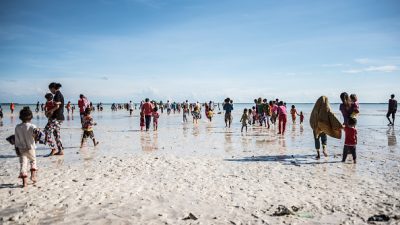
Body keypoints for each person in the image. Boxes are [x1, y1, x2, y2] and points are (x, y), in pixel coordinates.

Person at [14, 107, 38, 187]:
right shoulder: (32, 126)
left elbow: (16, 139)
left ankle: (24, 182)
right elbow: (36, 134)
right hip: (31, 148)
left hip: (21, 149)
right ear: (31, 117)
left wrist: (16, 148)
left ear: (20, 117)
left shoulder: (17, 127)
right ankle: (33, 176)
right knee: (33, 161)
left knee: (23, 164)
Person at [46, 82, 65, 156]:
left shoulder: (57, 95)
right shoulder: (59, 94)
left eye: (50, 90)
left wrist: (49, 111)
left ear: (53, 88)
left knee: (46, 132)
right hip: (60, 117)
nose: (51, 91)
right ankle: (60, 150)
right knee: (56, 134)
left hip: (56, 118)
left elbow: (57, 106)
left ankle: (53, 149)